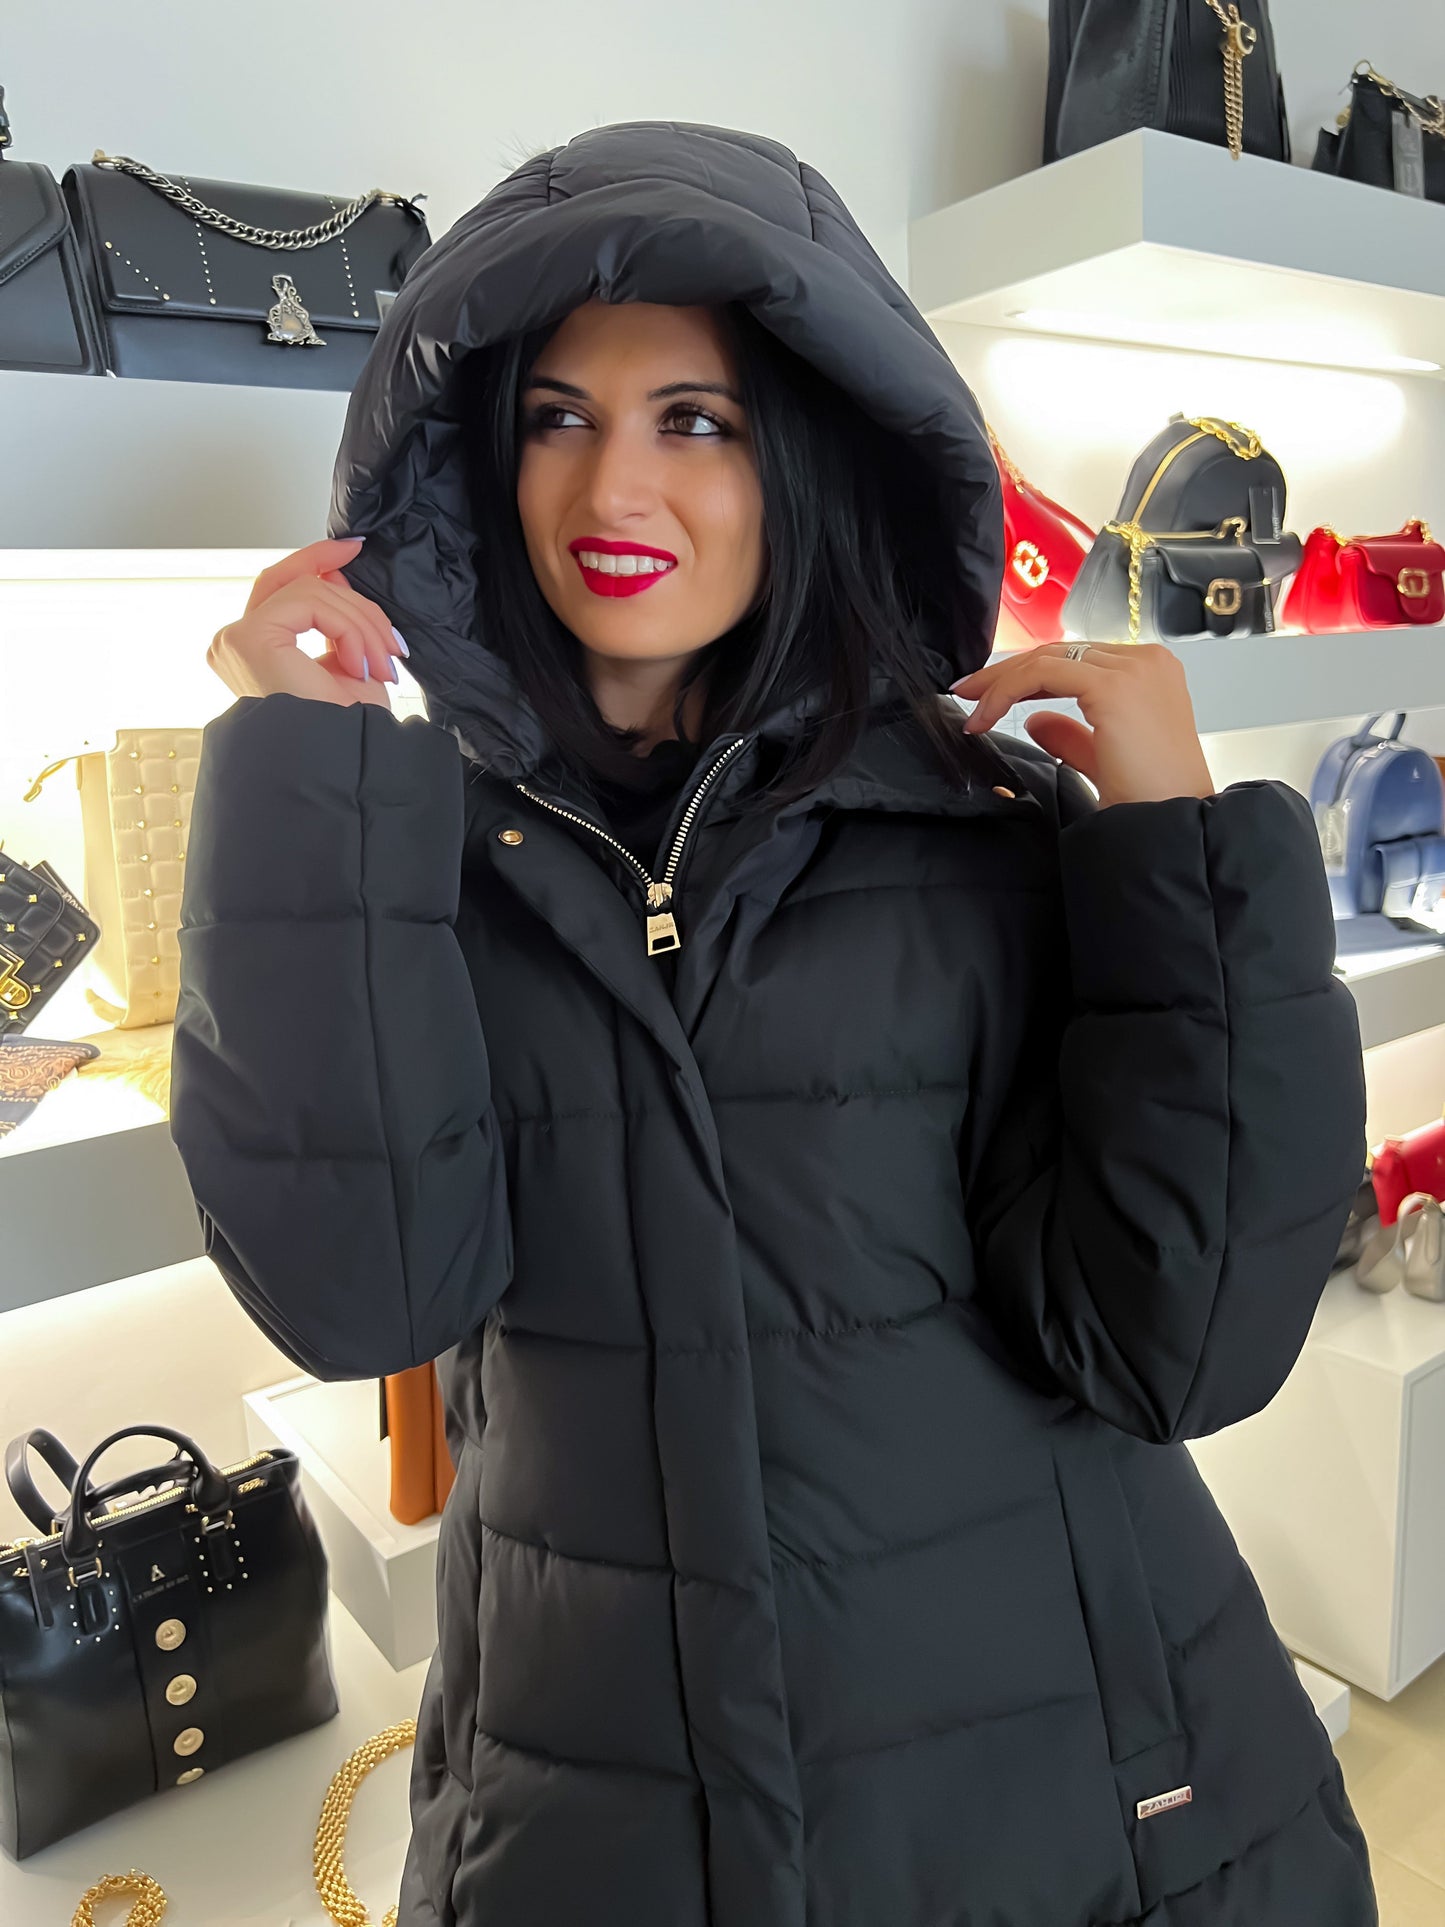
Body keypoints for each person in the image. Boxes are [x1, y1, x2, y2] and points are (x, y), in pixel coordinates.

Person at [169, 120, 1378, 1926]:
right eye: (556, 418)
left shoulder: (994, 842)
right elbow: (361, 1301)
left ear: (803, 449)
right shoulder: (408, 867)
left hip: (1088, 1813)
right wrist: (303, 787)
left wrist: (1180, 857)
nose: (613, 489)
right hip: (597, 1820)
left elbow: (1183, 1352)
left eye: (696, 421)